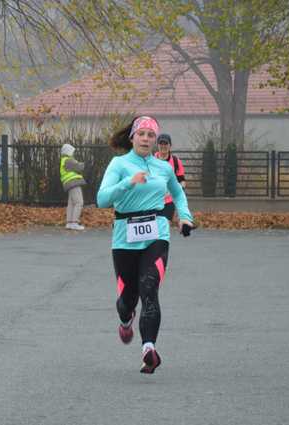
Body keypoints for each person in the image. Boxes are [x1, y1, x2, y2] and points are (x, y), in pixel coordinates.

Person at [97, 116, 194, 374]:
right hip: (124, 238)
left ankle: (148, 349)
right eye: (141, 134)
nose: (146, 139)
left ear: (156, 141)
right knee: (128, 298)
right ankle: (125, 318)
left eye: (151, 136)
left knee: (149, 288)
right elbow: (101, 199)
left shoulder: (163, 168)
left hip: (156, 233)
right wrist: (129, 182)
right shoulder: (119, 164)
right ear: (132, 137)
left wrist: (185, 217)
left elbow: (178, 193)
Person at [154, 133, 186, 222]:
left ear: (170, 145)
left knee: (164, 227)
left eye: (166, 144)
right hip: (152, 201)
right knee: (153, 230)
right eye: (161, 143)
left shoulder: (176, 161)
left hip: (168, 201)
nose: (163, 146)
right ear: (157, 145)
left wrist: (179, 194)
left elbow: (181, 180)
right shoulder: (150, 160)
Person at [60, 143, 87, 230]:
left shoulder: (64, 160)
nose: (73, 153)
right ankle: (75, 222)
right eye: (72, 151)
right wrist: (83, 163)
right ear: (68, 152)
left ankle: (69, 223)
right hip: (73, 183)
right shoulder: (68, 160)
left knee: (71, 204)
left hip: (69, 184)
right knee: (79, 202)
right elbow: (79, 167)